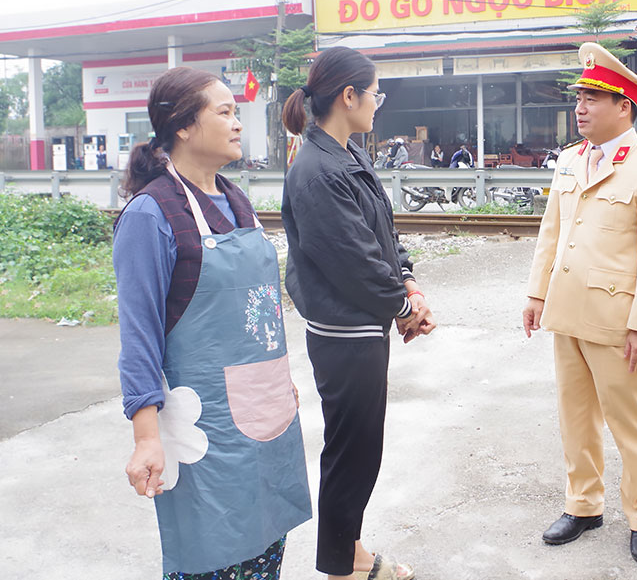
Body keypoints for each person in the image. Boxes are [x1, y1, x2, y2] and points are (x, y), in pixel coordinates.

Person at [114, 66, 311, 579]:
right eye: (224, 112)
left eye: (236, 112)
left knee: (265, 552)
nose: (238, 123)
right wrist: (146, 437)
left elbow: (260, 310)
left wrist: (280, 377)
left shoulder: (236, 200)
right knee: (213, 558)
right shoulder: (150, 216)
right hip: (206, 428)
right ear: (183, 126)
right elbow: (139, 339)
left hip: (267, 414)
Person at [522, 42, 637, 566]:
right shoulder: (571, 160)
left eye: (593, 98)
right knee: (576, 417)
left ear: (624, 107)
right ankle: (583, 504)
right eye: (579, 97)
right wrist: (536, 294)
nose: (581, 107)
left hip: (617, 322)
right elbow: (552, 233)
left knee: (632, 422)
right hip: (567, 311)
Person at [281, 46, 436, 580]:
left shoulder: (347, 155)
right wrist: (403, 306)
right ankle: (343, 563)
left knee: (360, 447)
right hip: (343, 333)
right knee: (351, 451)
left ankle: (348, 552)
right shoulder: (317, 170)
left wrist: (408, 283)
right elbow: (355, 261)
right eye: (375, 94)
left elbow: (382, 235)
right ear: (349, 96)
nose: (377, 104)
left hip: (363, 325)